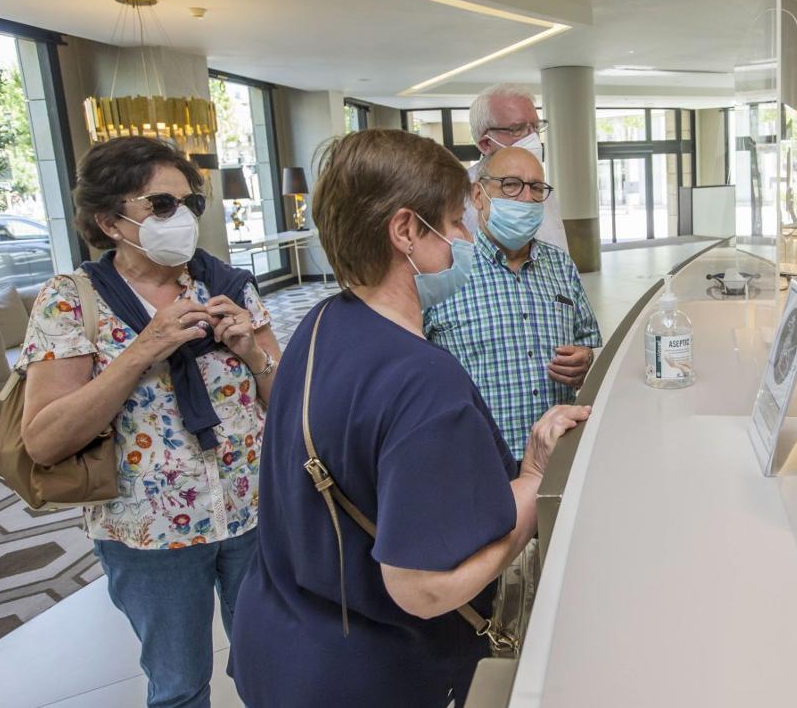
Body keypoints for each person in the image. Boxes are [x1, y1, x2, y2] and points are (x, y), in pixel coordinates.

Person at [231, 129, 589, 707]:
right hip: (370, 675)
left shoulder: (321, 325)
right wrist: (535, 478)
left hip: (281, 648)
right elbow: (424, 589)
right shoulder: (423, 379)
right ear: (405, 231)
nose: (466, 238)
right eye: (452, 223)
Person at [18, 136, 281, 707]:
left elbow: (285, 403)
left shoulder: (229, 285)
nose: (181, 217)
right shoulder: (71, 300)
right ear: (109, 221)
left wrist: (252, 354)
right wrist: (142, 350)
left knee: (273, 665)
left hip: (253, 512)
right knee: (180, 685)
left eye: (190, 204)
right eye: (161, 205)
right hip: (150, 531)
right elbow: (43, 439)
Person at [425, 145, 601, 461]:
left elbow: (587, 342)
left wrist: (585, 358)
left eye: (536, 187)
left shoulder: (560, 264)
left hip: (559, 450)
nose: (526, 198)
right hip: (481, 458)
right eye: (510, 185)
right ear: (478, 196)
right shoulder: (443, 270)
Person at [464, 83, 569, 252]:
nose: (533, 138)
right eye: (518, 129)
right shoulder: (455, 196)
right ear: (486, 144)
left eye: (535, 127)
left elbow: (558, 246)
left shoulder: (540, 189)